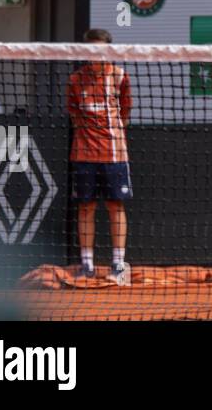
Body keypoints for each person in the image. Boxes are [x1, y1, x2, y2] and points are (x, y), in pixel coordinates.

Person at [68, 28, 133, 282]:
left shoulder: (119, 77)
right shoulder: (75, 80)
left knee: (116, 206)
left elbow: (125, 115)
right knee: (85, 207)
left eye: (100, 50)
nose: (95, 55)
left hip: (114, 154)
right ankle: (87, 265)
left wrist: (109, 135)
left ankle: (118, 265)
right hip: (83, 154)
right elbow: (74, 114)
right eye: (90, 50)